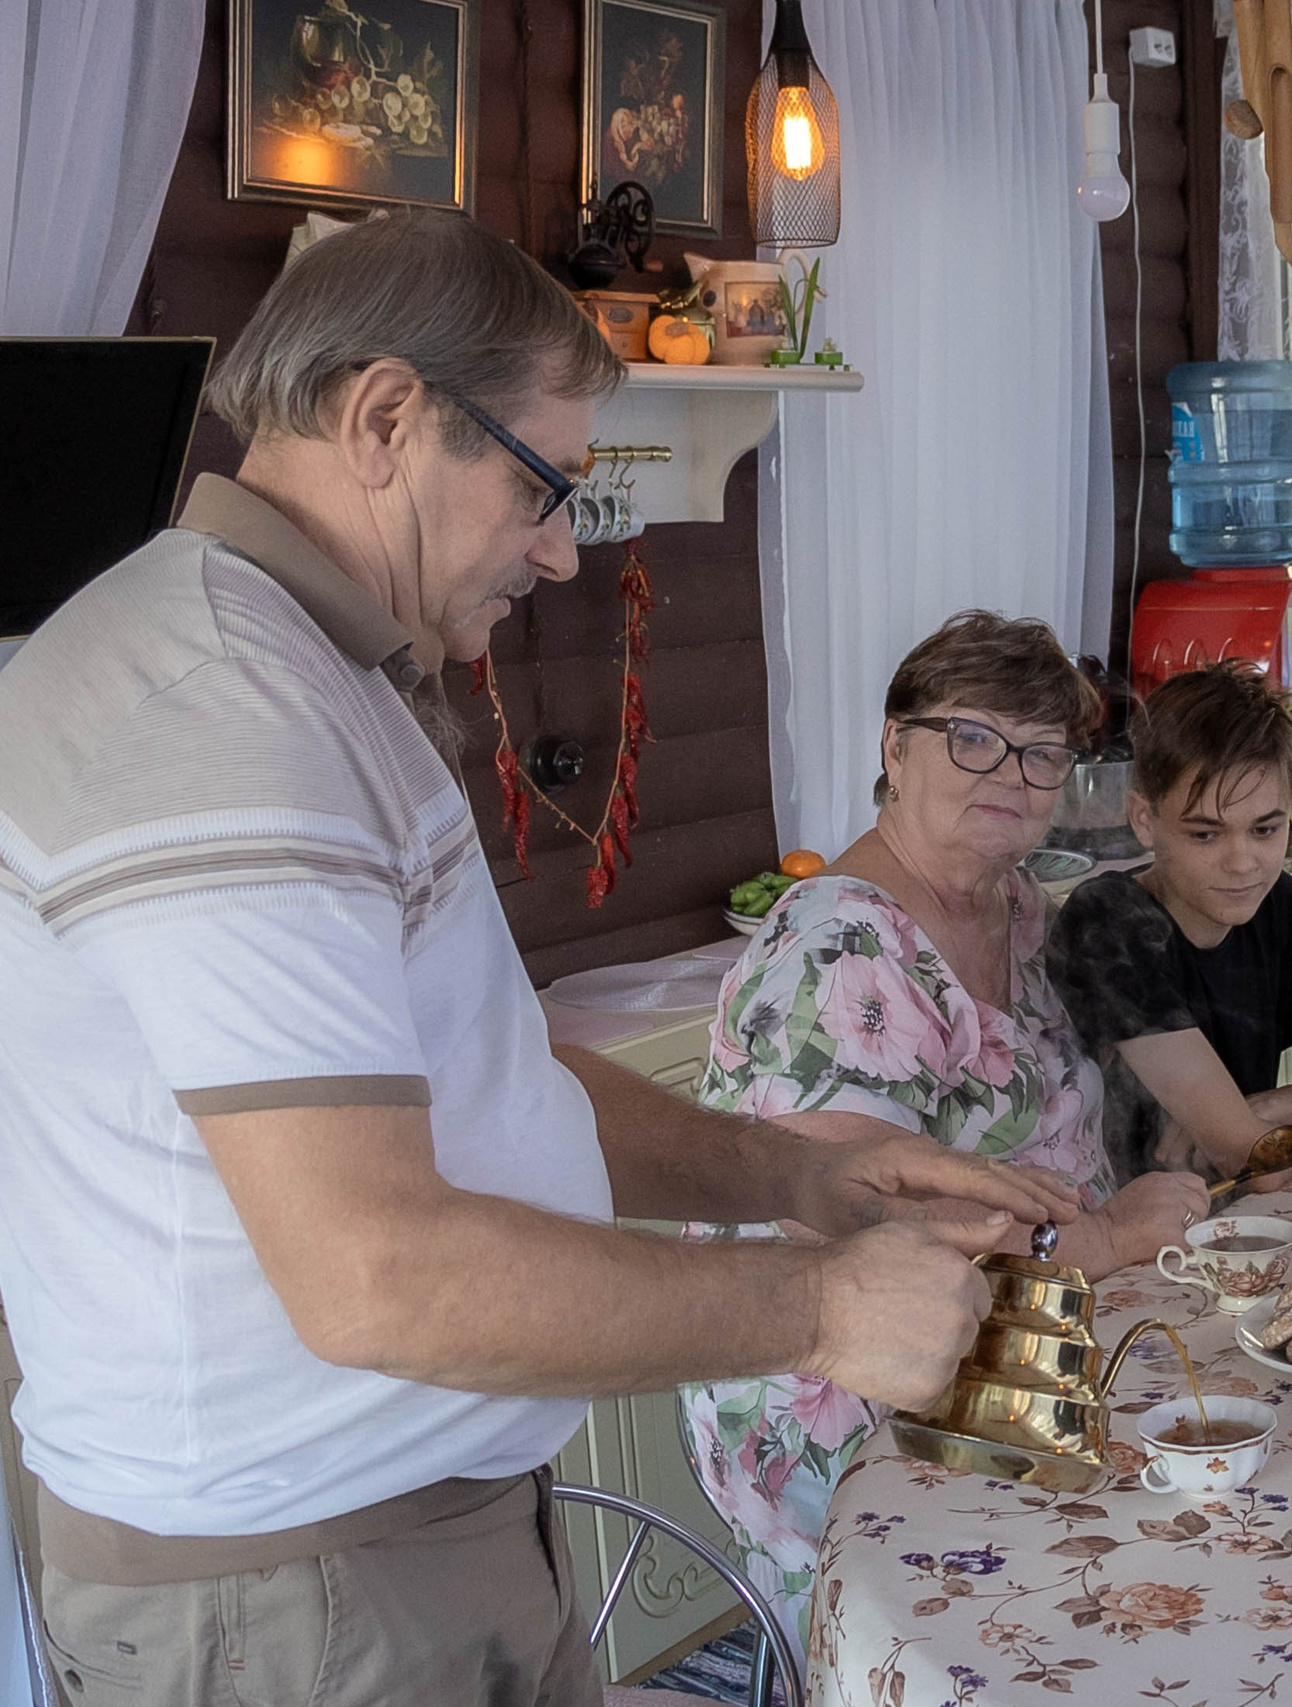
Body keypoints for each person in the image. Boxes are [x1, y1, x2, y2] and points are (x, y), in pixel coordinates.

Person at [0, 211, 1062, 1705]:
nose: (563, 546)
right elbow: (378, 1273)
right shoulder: (220, 712)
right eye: (541, 482)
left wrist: (787, 1175)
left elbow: (489, 1068)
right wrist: (819, 1304)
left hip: (389, 1536)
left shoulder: (315, 667)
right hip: (298, 1588)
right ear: (385, 417)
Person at [673, 618, 1292, 1651]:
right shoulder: (842, 950)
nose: (1008, 772)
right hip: (852, 1397)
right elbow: (866, 1214)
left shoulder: (1017, 908)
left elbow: (1153, 969)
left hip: (1007, 1361)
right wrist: (1105, 1241)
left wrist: (1290, 932)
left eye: (1041, 751)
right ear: (894, 750)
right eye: (972, 738)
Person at [1048, 661, 1292, 1186]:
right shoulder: (1110, 923)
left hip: (1226, 1219)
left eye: (1264, 829)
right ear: (1145, 820)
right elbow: (1248, 1159)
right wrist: (1276, 1133)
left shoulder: (1273, 901)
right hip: (1117, 1232)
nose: (1242, 863)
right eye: (1205, 835)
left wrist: (1269, 1110)